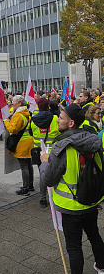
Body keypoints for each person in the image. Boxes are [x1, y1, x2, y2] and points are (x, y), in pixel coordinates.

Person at [41, 104, 104, 274]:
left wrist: (45, 163)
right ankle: (102, 266)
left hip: (71, 207)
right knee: (94, 235)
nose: (57, 120)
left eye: (61, 118)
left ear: (70, 123)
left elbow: (48, 179)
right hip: (91, 201)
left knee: (74, 247)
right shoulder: (95, 142)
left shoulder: (61, 147)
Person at [29, 98, 59, 207]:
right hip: (53, 152)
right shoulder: (55, 118)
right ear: (48, 107)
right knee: (55, 174)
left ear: (38, 107)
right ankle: (55, 196)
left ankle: (43, 198)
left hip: (39, 153)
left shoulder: (33, 120)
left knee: (42, 175)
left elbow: (31, 133)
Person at [3, 95, 34, 196]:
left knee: (24, 166)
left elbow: (13, 129)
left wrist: (6, 121)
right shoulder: (26, 113)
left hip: (22, 143)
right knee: (29, 165)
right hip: (28, 142)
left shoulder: (18, 115)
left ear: (19, 103)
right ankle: (30, 185)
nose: (12, 103)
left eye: (14, 102)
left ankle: (25, 188)